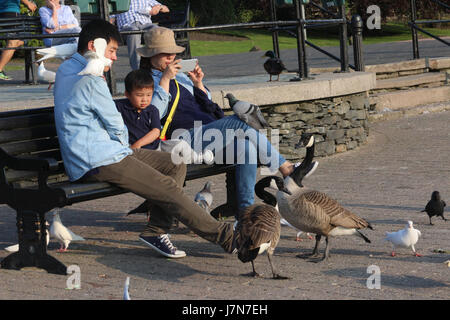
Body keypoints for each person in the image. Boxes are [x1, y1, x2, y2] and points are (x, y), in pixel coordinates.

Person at [53, 19, 236, 259]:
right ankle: (227, 237)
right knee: (166, 186)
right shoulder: (90, 78)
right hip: (98, 159)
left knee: (175, 162)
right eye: (111, 51)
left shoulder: (67, 68)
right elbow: (115, 123)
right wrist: (124, 148)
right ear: (93, 46)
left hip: (99, 152)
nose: (115, 58)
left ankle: (156, 231)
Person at [137, 27, 318, 218]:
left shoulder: (181, 76)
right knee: (239, 121)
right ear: (150, 55)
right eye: (164, 53)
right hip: (182, 139)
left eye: (172, 52)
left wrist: (198, 84)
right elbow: (154, 113)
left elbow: (205, 104)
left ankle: (245, 214)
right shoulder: (147, 80)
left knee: (246, 147)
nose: (170, 56)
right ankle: (287, 169)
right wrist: (165, 79)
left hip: (208, 135)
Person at [111, 0, 169, 70]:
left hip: (145, 25)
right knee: (133, 31)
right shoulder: (118, 2)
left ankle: (161, 66)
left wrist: (158, 7)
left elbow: (166, 9)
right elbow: (111, 18)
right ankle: (137, 70)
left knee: (158, 31)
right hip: (127, 26)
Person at [115, 69, 161, 150]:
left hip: (152, 149)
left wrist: (138, 144)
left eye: (149, 95)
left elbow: (156, 131)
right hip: (128, 148)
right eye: (140, 95)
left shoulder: (152, 110)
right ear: (127, 94)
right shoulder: (119, 107)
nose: (145, 99)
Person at [0, 0, 37, 80]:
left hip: (7, 12)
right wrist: (28, 3)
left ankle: (2, 59)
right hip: (10, 12)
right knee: (13, 42)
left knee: (20, 41)